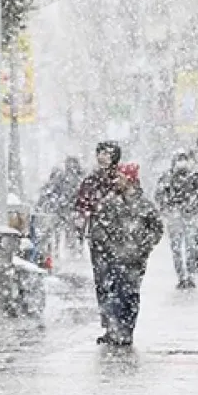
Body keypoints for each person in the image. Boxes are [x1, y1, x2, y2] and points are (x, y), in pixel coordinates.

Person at [90, 163, 163, 346]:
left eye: (121, 177)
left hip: (135, 260)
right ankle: (115, 330)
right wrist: (110, 248)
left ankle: (127, 330)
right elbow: (98, 230)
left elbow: (157, 229)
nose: (117, 181)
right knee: (114, 292)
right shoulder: (109, 203)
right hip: (114, 258)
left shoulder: (144, 205)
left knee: (130, 295)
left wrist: (143, 247)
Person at [75, 141, 123, 338]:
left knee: (119, 281)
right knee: (102, 280)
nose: (102, 157)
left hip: (121, 239)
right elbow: (81, 206)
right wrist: (80, 226)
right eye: (99, 153)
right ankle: (108, 322)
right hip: (98, 238)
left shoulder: (122, 180)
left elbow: (135, 203)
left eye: (106, 153)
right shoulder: (91, 181)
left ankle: (120, 322)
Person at [155, 150, 198, 289]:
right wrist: (168, 209)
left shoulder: (194, 176)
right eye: (179, 159)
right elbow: (159, 195)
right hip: (174, 216)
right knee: (176, 248)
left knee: (191, 247)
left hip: (190, 216)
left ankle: (190, 275)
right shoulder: (167, 177)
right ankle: (182, 277)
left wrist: (192, 206)